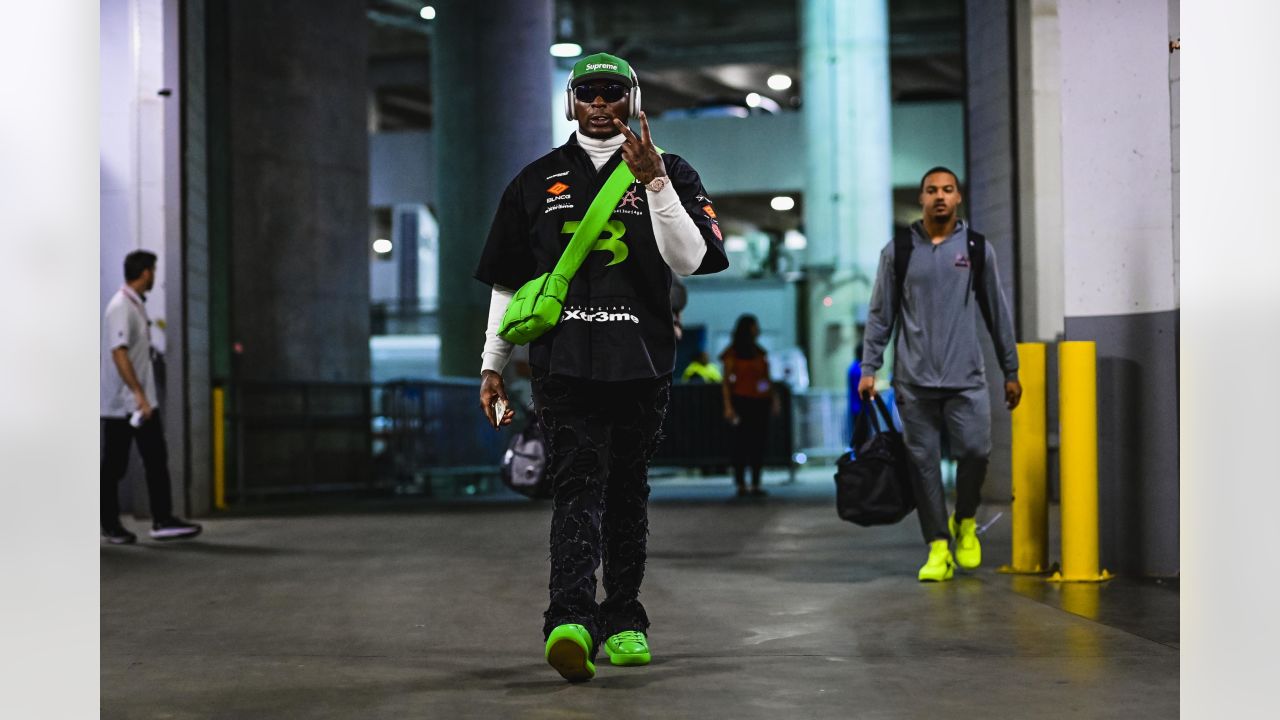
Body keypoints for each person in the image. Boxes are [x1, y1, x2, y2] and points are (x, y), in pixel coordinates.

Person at [473, 52, 728, 682]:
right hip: (563, 364)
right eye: (588, 93)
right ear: (571, 102)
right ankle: (570, 620)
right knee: (576, 488)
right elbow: (508, 286)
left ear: (634, 101)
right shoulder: (535, 182)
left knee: (627, 494)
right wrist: (492, 366)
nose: (600, 104)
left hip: (642, 363)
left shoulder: (672, 172)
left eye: (613, 93)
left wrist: (657, 185)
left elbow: (691, 260)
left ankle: (625, 619)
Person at [858, 167, 1021, 582]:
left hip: (966, 378)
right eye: (932, 190)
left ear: (959, 197)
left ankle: (964, 520)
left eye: (947, 190)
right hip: (913, 381)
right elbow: (881, 315)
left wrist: (1010, 368)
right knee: (923, 465)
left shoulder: (976, 248)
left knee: (974, 452)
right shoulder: (899, 250)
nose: (940, 197)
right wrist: (869, 367)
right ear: (921, 199)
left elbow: (997, 313)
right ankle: (936, 546)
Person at [101, 251, 203, 544]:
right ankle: (109, 524)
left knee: (156, 458)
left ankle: (163, 519)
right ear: (145, 272)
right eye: (153, 270)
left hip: (141, 402)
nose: (155, 276)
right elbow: (118, 353)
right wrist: (137, 394)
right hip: (123, 405)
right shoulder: (121, 306)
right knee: (114, 466)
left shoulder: (135, 306)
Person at [720, 314, 780, 498]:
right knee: (740, 444)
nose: (757, 329)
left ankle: (755, 483)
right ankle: (741, 484)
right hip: (741, 401)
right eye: (754, 326)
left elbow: (766, 379)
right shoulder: (733, 353)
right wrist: (728, 406)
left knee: (759, 443)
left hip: (760, 402)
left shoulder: (760, 352)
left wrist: (773, 398)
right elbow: (726, 382)